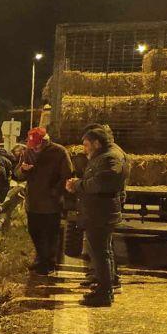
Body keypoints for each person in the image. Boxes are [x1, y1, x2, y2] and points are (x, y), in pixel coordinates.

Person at [66, 125, 126, 307]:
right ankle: (105, 286)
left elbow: (100, 183)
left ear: (97, 143)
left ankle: (104, 293)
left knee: (100, 253)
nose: (84, 149)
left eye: (86, 145)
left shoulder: (109, 159)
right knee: (102, 251)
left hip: (100, 212)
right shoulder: (105, 155)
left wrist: (77, 185)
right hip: (98, 211)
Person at [18, 127, 73, 275]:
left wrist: (55, 192)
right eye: (32, 145)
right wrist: (23, 170)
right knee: (34, 231)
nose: (34, 148)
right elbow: (18, 174)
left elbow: (67, 174)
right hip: (33, 201)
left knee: (50, 233)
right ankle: (41, 259)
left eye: (37, 144)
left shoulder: (59, 152)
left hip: (51, 202)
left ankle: (49, 263)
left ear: (45, 141)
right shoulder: (28, 152)